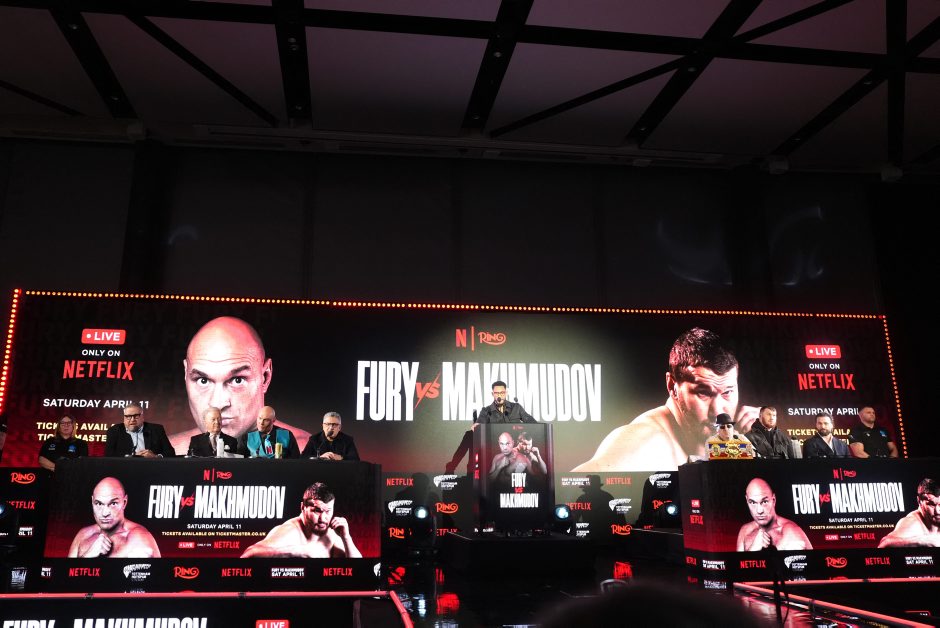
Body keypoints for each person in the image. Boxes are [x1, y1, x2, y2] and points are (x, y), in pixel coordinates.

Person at [574, 327, 759, 472]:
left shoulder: (742, 435)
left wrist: (765, 442)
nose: (718, 411)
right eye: (703, 393)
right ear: (672, 386)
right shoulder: (647, 441)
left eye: (727, 392)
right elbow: (578, 483)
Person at [172, 316, 311, 454]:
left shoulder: (304, 450)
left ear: (265, 377)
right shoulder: (172, 451)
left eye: (237, 380)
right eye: (203, 380)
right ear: (186, 374)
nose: (218, 404)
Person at [240, 482, 362, 558]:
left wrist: (346, 538)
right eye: (317, 511)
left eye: (328, 511)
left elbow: (359, 571)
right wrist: (297, 551)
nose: (323, 518)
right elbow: (248, 554)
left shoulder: (331, 534)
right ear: (303, 507)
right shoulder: (290, 531)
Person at [67, 476, 160, 558]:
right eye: (99, 503)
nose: (105, 513)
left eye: (113, 503)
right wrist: (89, 555)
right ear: (92, 501)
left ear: (124, 502)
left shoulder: (139, 538)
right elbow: (66, 572)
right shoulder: (83, 534)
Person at [736, 477, 812, 551]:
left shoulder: (790, 532)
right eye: (752, 502)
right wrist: (753, 548)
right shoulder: (745, 530)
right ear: (747, 500)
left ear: (773, 500)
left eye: (764, 502)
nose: (759, 511)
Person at [877, 478, 940, 548]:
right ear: (919, 501)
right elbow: (884, 544)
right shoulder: (913, 523)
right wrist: (922, 541)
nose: (937, 511)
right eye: (931, 504)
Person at [104, 404, 175, 458]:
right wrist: (133, 456)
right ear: (124, 418)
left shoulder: (156, 429)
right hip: (125, 468)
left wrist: (155, 457)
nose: (132, 420)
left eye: (136, 416)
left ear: (142, 417)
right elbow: (109, 455)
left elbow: (170, 452)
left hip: (151, 467)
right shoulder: (114, 431)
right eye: (128, 416)